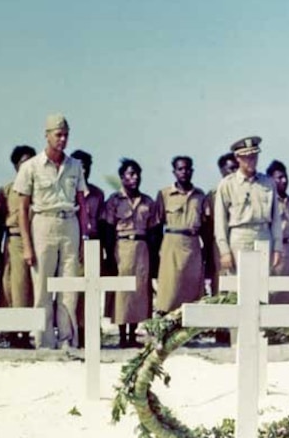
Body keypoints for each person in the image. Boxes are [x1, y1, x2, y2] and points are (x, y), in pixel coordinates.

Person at [14, 113, 89, 350]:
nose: (63, 139)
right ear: (46, 136)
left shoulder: (75, 166)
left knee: (69, 286)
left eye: (66, 135)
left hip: (70, 224)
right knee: (43, 287)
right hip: (43, 225)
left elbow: (82, 203)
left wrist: (84, 238)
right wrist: (27, 245)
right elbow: (22, 209)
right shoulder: (30, 167)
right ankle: (44, 340)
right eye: (58, 135)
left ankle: (67, 339)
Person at [103, 158, 160, 348]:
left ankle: (133, 333)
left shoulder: (147, 202)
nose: (135, 178)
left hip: (141, 248)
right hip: (122, 247)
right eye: (130, 174)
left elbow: (154, 231)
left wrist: (154, 256)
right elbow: (108, 229)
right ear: (122, 177)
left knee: (138, 290)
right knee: (122, 292)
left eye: (137, 174)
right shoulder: (113, 201)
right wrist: (110, 255)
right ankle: (121, 335)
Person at [214, 136, 282, 276]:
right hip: (240, 238)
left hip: (264, 236)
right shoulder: (228, 184)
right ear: (237, 158)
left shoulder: (268, 183)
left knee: (261, 285)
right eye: (247, 157)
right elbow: (220, 222)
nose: (252, 160)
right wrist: (225, 251)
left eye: (254, 156)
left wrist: (277, 248)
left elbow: (276, 220)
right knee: (240, 287)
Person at [153, 155, 209, 314]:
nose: (184, 172)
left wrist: (205, 250)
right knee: (169, 289)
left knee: (191, 289)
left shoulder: (199, 195)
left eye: (187, 169)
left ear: (192, 171)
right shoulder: (164, 194)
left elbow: (204, 225)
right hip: (172, 244)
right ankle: (165, 329)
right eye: (180, 169)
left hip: (192, 245)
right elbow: (157, 226)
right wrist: (157, 252)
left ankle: (187, 332)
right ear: (174, 172)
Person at [0, 145, 37, 348]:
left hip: (37, 240)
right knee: (13, 286)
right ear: (15, 166)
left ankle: (28, 331)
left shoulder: (40, 189)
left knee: (33, 287)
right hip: (14, 241)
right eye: (22, 163)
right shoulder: (6, 190)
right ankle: (13, 332)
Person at [70, 149, 106, 348]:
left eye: (87, 166)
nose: (85, 170)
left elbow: (103, 226)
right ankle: (73, 332)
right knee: (72, 291)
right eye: (81, 167)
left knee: (91, 293)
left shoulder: (98, 194)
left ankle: (90, 331)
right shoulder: (67, 193)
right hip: (72, 246)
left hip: (92, 246)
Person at [204, 152, 239, 296]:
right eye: (231, 168)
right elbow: (207, 226)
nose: (235, 172)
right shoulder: (213, 194)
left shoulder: (243, 191)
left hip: (239, 240)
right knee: (221, 280)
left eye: (237, 168)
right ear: (222, 170)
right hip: (220, 243)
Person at [267, 159, 289, 303]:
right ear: (271, 180)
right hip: (276, 251)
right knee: (275, 292)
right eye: (280, 178)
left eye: (285, 177)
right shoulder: (268, 202)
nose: (284, 180)